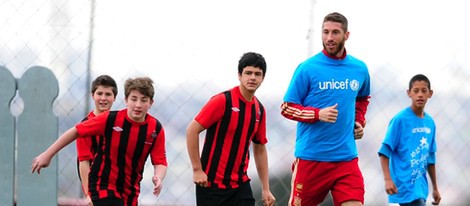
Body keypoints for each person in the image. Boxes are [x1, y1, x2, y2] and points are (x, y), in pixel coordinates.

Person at [32, 77, 168, 206]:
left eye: (143, 100)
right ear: (126, 100)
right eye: (134, 99)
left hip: (130, 192)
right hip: (103, 187)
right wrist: (47, 154)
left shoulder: (155, 129)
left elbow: (160, 161)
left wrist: (158, 177)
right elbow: (76, 133)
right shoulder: (109, 119)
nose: (138, 105)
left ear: (151, 103)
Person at [281, 12, 371, 206]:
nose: (329, 38)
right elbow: (287, 107)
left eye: (335, 32)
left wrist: (359, 121)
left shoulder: (359, 69)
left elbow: (363, 98)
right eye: (326, 32)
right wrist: (317, 114)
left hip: (346, 159)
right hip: (311, 159)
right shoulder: (307, 68)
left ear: (346, 35)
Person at [186, 52, 276, 206]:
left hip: (240, 186)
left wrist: (265, 188)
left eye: (257, 74)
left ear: (263, 78)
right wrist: (197, 169)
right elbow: (192, 130)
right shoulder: (223, 101)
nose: (252, 78)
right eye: (248, 73)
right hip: (211, 185)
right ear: (239, 75)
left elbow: (260, 148)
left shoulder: (259, 110)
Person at [378, 74, 441, 206]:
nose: (420, 95)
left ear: (430, 94)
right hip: (401, 188)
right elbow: (384, 151)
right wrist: (387, 179)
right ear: (409, 93)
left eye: (424, 91)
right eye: (415, 91)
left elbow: (430, 157)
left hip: (420, 189)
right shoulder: (400, 120)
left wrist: (435, 188)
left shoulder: (430, 123)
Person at [76, 74, 118, 205]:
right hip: (97, 191)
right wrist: (89, 195)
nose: (103, 98)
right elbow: (83, 162)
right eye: (99, 93)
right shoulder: (85, 126)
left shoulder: (118, 124)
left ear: (114, 97)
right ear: (92, 95)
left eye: (108, 94)